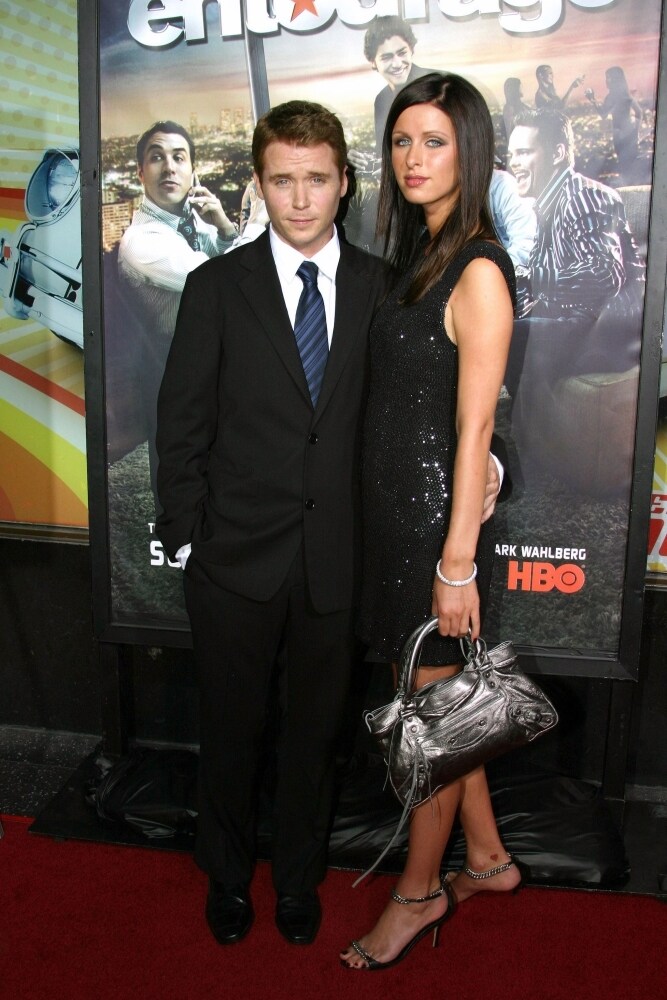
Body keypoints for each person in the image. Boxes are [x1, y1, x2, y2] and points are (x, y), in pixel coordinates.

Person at [156, 99, 503, 950]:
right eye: (282, 180)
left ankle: (300, 883)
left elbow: (432, 406)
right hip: (233, 561)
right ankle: (230, 878)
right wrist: (191, 533)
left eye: (317, 180)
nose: (300, 199)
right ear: (260, 185)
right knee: (230, 735)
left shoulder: (388, 286)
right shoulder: (215, 288)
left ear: (343, 184)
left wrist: (494, 467)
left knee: (315, 742)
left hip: (336, 563)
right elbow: (180, 425)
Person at [340, 72, 517, 971]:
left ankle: (416, 895)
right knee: (444, 709)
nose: (413, 159)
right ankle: (486, 860)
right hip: (397, 519)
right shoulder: (427, 252)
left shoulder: (477, 266)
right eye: (402, 141)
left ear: (469, 151)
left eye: (434, 142)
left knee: (431, 720)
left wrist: (456, 562)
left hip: (429, 534)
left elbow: (475, 423)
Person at [118, 120, 238, 503]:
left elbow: (217, 254)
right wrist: (256, 222)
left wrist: (222, 226)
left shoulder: (190, 219)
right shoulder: (141, 241)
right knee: (176, 469)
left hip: (208, 361)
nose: (169, 167)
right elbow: (216, 281)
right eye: (156, 157)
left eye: (179, 157)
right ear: (140, 173)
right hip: (168, 368)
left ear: (192, 171)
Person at [506, 107, 644, 395]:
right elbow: (537, 289)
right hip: (576, 327)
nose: (514, 164)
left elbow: (604, 275)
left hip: (606, 335)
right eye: (511, 155)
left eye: (523, 153)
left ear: (556, 154)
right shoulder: (547, 206)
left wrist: (531, 278)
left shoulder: (582, 196)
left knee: (502, 334)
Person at [348, 15, 437, 173]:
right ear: (373, 62)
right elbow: (384, 153)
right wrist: (358, 159)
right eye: (387, 57)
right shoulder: (382, 100)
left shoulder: (439, 85)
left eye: (402, 53)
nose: (397, 64)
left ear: (411, 50)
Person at [585, 67, 643, 180]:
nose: (607, 81)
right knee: (631, 164)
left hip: (620, 135)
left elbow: (603, 114)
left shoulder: (611, 97)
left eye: (609, 78)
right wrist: (636, 130)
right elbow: (639, 112)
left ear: (616, 79)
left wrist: (592, 100)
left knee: (624, 165)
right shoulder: (626, 95)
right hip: (631, 134)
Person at [502, 77, 530, 142]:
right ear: (514, 89)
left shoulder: (522, 106)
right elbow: (510, 129)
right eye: (519, 87)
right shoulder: (509, 108)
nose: (522, 88)